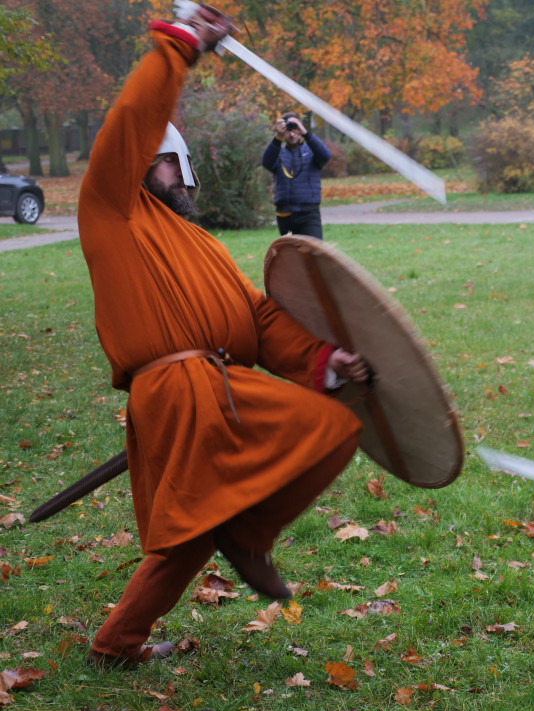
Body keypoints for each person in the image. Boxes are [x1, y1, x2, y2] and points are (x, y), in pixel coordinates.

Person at [77, 4, 368, 668]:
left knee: (190, 533)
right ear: (149, 162)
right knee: (323, 432)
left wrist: (324, 358)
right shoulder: (111, 211)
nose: (187, 180)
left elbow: (256, 320)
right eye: (175, 168)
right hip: (176, 392)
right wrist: (181, 47)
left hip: (218, 385)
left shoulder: (197, 243)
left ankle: (116, 642)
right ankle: (252, 534)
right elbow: (131, 120)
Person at [261, 111, 332, 239]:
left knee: (314, 253)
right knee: (292, 255)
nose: (292, 134)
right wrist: (278, 137)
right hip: (285, 214)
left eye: (295, 129)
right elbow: (266, 162)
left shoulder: (311, 151)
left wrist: (305, 133)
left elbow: (326, 155)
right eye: (288, 130)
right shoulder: (278, 152)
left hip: (309, 213)